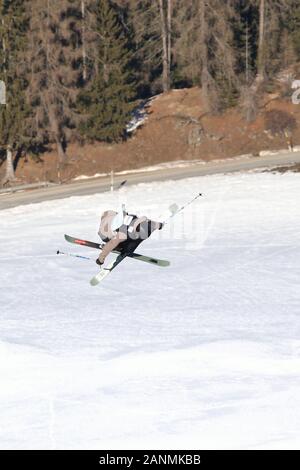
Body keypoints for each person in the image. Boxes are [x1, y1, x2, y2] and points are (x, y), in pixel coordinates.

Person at [96, 205, 163, 266]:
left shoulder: (125, 230)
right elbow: (110, 244)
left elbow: (111, 244)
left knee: (127, 245)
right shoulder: (125, 229)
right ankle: (123, 248)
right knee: (126, 244)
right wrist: (101, 258)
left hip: (124, 230)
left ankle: (123, 248)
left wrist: (100, 259)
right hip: (110, 232)